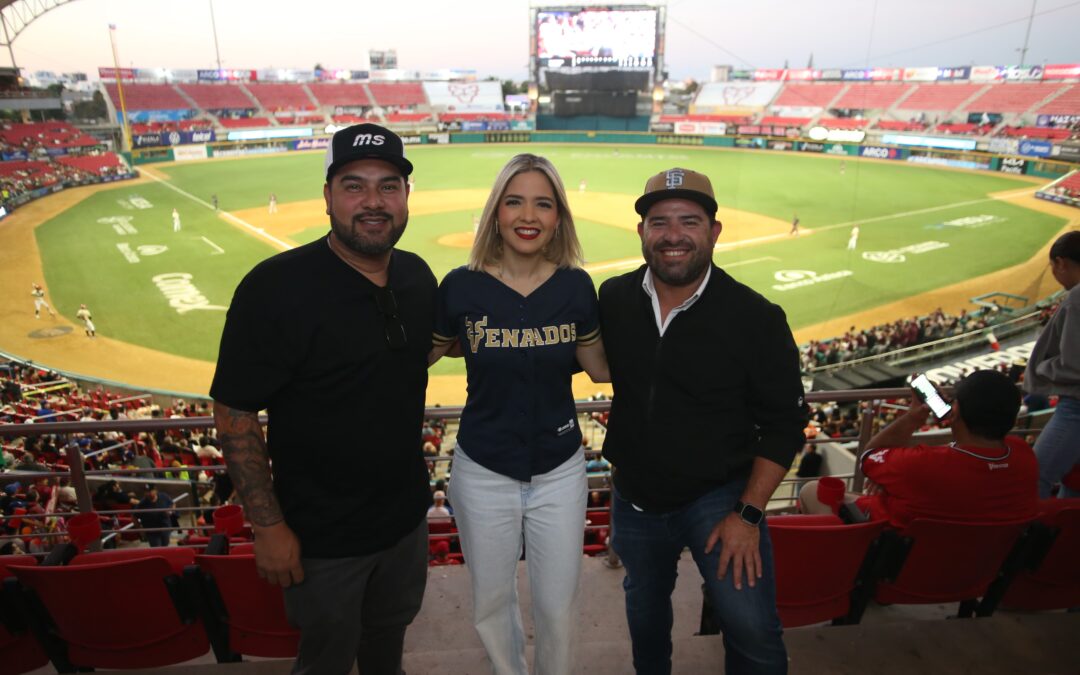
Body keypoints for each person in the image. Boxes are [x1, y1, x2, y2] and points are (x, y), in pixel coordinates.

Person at [210, 122, 435, 675]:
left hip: (405, 522)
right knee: (325, 661)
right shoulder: (275, 287)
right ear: (329, 196)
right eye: (355, 186)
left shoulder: (417, 276)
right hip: (322, 539)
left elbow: (406, 358)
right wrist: (267, 526)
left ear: (406, 196)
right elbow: (235, 410)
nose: (373, 202)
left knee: (387, 650)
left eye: (388, 186)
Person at [598, 167, 806, 674]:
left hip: (720, 499)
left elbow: (784, 424)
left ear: (714, 231)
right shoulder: (614, 298)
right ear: (643, 232)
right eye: (659, 221)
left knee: (752, 629)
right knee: (645, 616)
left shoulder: (756, 317)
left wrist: (750, 514)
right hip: (636, 495)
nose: (673, 235)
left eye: (689, 221)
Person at [429, 153, 609, 675]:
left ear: (558, 218)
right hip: (482, 468)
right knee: (490, 601)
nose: (527, 215)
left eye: (543, 203)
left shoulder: (577, 287)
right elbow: (414, 357)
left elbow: (599, 368)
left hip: (559, 468)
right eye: (514, 201)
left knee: (557, 605)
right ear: (496, 212)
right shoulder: (460, 286)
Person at [800, 370, 1038, 529]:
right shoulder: (1024, 455)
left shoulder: (922, 465)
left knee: (811, 490)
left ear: (954, 412)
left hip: (895, 563)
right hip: (973, 568)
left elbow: (869, 457)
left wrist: (914, 417)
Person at [1024, 230, 1080, 498]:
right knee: (1075, 482)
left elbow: (1074, 365)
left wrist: (1042, 368)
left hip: (1076, 407)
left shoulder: (1077, 297)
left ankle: (1031, 540)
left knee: (1034, 479)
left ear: (1061, 263)